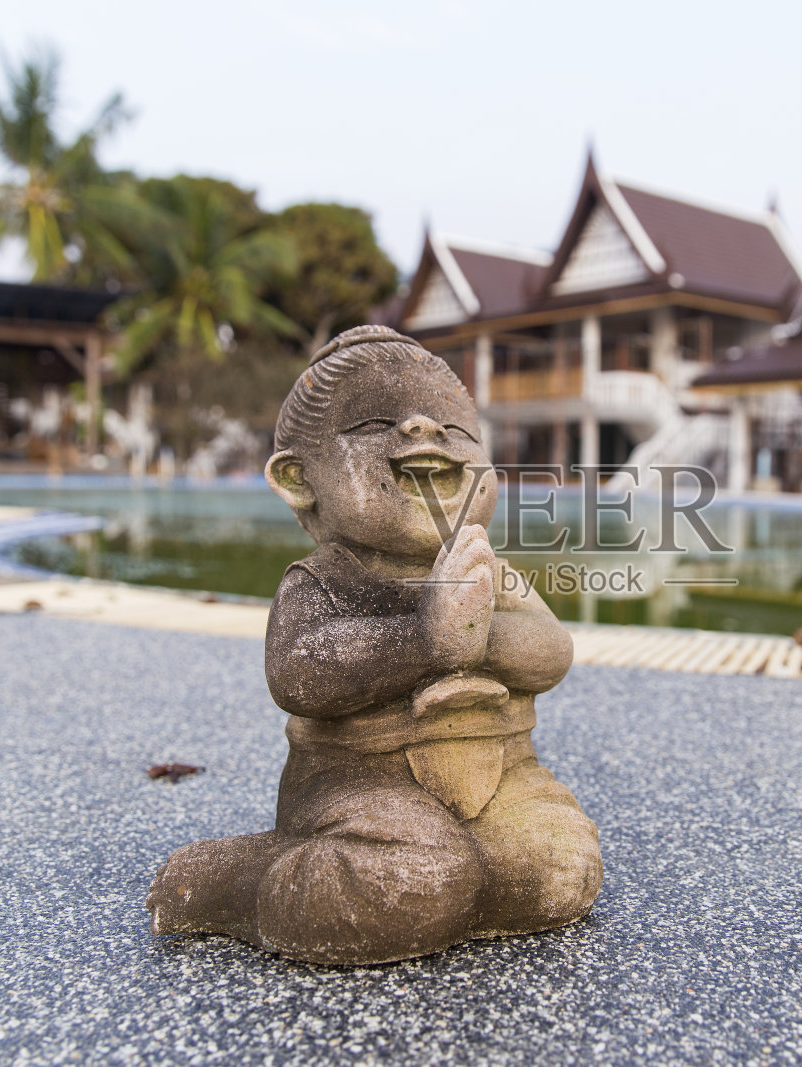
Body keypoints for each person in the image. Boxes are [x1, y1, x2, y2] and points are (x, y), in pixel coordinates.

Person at [147, 325, 602, 965]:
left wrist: (479, 633)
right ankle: (236, 881)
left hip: (500, 774)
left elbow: (550, 651)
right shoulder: (322, 579)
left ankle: (466, 880)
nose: (423, 426)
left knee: (562, 868)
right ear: (300, 478)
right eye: (374, 423)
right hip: (357, 786)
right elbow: (300, 675)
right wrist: (427, 637)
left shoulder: (485, 569)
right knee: (412, 878)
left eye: (457, 428)